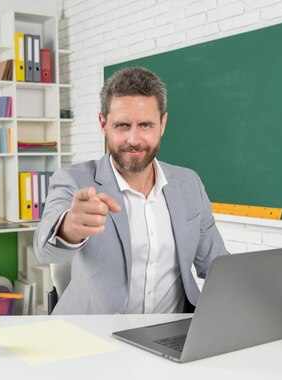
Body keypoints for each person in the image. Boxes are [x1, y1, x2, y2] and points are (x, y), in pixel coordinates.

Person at [34, 66, 229, 315]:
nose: (134, 140)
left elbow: (217, 264)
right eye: (122, 126)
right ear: (103, 124)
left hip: (173, 332)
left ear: (163, 124)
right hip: (96, 335)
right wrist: (70, 227)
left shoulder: (188, 183)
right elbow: (44, 251)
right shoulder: (73, 180)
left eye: (146, 125)